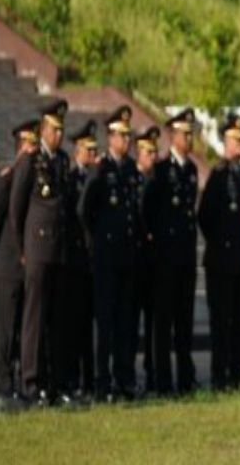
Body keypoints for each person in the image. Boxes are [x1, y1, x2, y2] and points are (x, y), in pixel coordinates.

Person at [10, 100, 73, 406]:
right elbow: (16, 208)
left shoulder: (61, 161)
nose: (59, 135)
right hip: (36, 249)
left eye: (62, 130)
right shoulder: (30, 162)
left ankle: (54, 382)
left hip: (58, 250)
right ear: (43, 130)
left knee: (57, 319)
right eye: (54, 129)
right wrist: (23, 248)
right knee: (34, 319)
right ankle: (31, 382)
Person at [80, 105, 143, 401]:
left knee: (125, 323)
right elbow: (84, 210)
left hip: (128, 258)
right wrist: (97, 243)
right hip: (106, 257)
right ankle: (101, 381)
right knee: (104, 323)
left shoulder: (130, 170)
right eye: (122, 135)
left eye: (129, 135)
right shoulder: (100, 168)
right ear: (110, 137)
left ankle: (124, 378)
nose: (127, 140)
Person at [146, 109, 199, 395]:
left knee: (184, 322)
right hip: (165, 259)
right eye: (184, 133)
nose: (189, 138)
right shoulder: (162, 170)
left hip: (185, 259)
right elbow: (148, 210)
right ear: (172, 136)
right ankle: (163, 381)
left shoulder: (190, 171)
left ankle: (185, 379)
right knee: (163, 324)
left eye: (191, 133)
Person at [198, 113, 240, 390]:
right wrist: (219, 245)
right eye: (236, 140)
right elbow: (205, 216)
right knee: (221, 323)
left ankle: (236, 375)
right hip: (220, 261)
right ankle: (220, 377)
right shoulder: (218, 176)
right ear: (225, 142)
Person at [0, 122, 36, 404]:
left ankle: (18, 381)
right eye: (28, 145)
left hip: (24, 265)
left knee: (20, 326)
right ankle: (4, 382)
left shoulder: (33, 175)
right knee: (6, 330)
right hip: (7, 264)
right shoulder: (7, 179)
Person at [61, 120, 99, 400]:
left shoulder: (94, 177)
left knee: (88, 326)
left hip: (91, 261)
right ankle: (72, 378)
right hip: (74, 261)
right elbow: (77, 211)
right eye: (89, 148)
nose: (93, 153)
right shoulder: (72, 178)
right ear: (78, 150)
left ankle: (89, 380)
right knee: (72, 324)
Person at [134, 126, 160, 393]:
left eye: (155, 151)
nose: (153, 156)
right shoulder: (132, 178)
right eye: (148, 151)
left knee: (154, 322)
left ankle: (152, 371)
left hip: (153, 263)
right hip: (133, 261)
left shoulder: (158, 180)